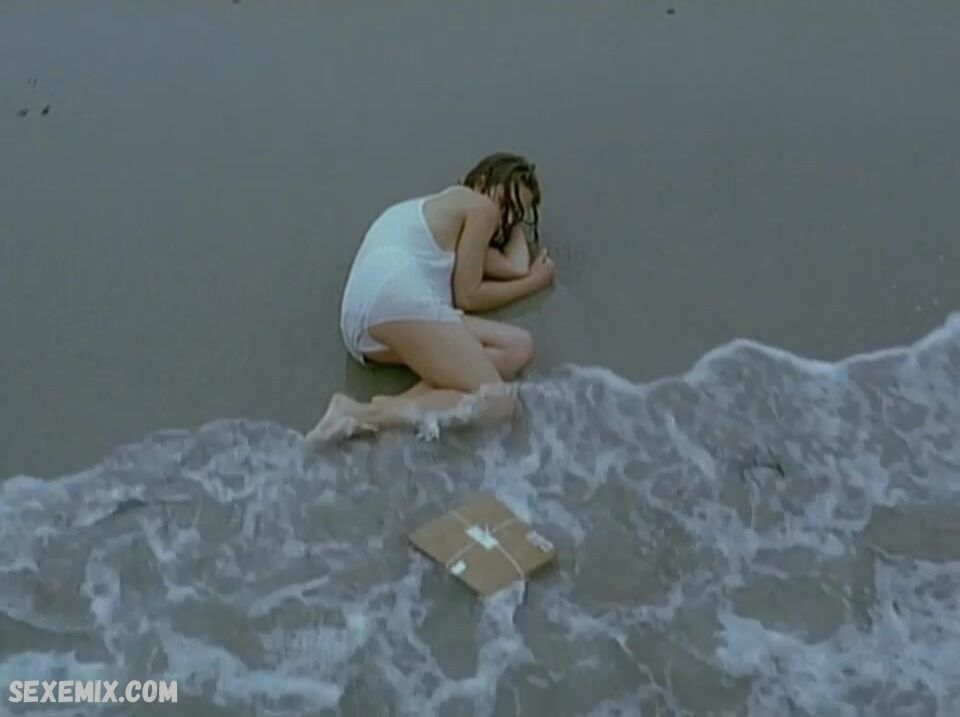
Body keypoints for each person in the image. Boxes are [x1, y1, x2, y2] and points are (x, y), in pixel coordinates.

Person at [306, 152, 556, 443]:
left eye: (516, 213)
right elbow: (468, 296)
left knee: (517, 346)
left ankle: (380, 411)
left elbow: (515, 267)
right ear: (481, 182)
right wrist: (534, 283)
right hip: (396, 292)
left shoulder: (445, 217)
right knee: (498, 403)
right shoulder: (478, 206)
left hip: (364, 322)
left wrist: (514, 231)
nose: (507, 217)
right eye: (505, 202)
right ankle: (364, 416)